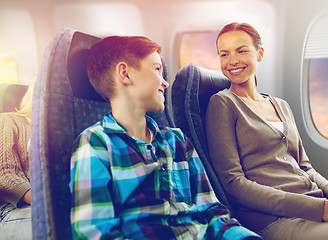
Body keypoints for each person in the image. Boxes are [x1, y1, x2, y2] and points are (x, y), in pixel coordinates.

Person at [69, 35, 261, 240]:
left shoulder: (177, 140)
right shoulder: (96, 144)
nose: (165, 83)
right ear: (125, 73)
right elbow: (95, 233)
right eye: (156, 69)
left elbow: (213, 213)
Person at [205, 22, 328, 240]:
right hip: (277, 220)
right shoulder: (222, 104)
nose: (232, 61)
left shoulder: (281, 106)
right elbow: (234, 184)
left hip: (316, 205)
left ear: (259, 53)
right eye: (224, 54)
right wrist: (322, 209)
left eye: (241, 51)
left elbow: (305, 167)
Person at [0, 79, 35, 239]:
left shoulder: (62, 130)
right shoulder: (8, 121)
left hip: (42, 206)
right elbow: (5, 175)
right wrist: (42, 199)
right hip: (10, 209)